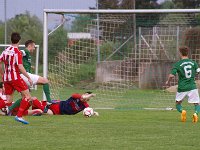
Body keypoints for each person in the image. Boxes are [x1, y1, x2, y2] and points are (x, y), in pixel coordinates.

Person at [7, 40, 52, 113]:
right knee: (45, 81)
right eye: (34, 46)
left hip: (21, 77)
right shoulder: (25, 51)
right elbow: (20, 53)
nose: (34, 48)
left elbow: (23, 62)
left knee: (25, 98)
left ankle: (9, 109)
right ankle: (49, 102)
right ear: (30, 46)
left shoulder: (27, 55)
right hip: (23, 75)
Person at [0, 32, 33, 124]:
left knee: (9, 101)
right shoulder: (17, 52)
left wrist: (3, 75)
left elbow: (0, 62)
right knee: (27, 96)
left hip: (6, 79)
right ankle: (19, 116)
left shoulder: (5, 51)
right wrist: (28, 77)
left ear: (11, 40)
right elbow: (20, 67)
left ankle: (16, 114)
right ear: (19, 40)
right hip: (15, 78)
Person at [165, 46, 200, 123]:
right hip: (192, 86)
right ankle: (196, 114)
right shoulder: (193, 63)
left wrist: (168, 82)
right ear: (187, 53)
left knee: (178, 103)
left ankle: (182, 111)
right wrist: (194, 75)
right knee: (197, 103)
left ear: (180, 53)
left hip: (182, 87)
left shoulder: (178, 64)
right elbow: (198, 71)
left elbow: (171, 75)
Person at [32, 92, 98, 116]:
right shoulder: (76, 96)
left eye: (88, 97)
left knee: (43, 112)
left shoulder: (85, 105)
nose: (85, 97)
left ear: (88, 100)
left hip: (59, 113)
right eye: (85, 95)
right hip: (58, 105)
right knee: (38, 106)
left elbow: (89, 111)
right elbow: (82, 97)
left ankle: (34, 110)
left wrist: (94, 113)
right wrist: (91, 95)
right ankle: (34, 100)